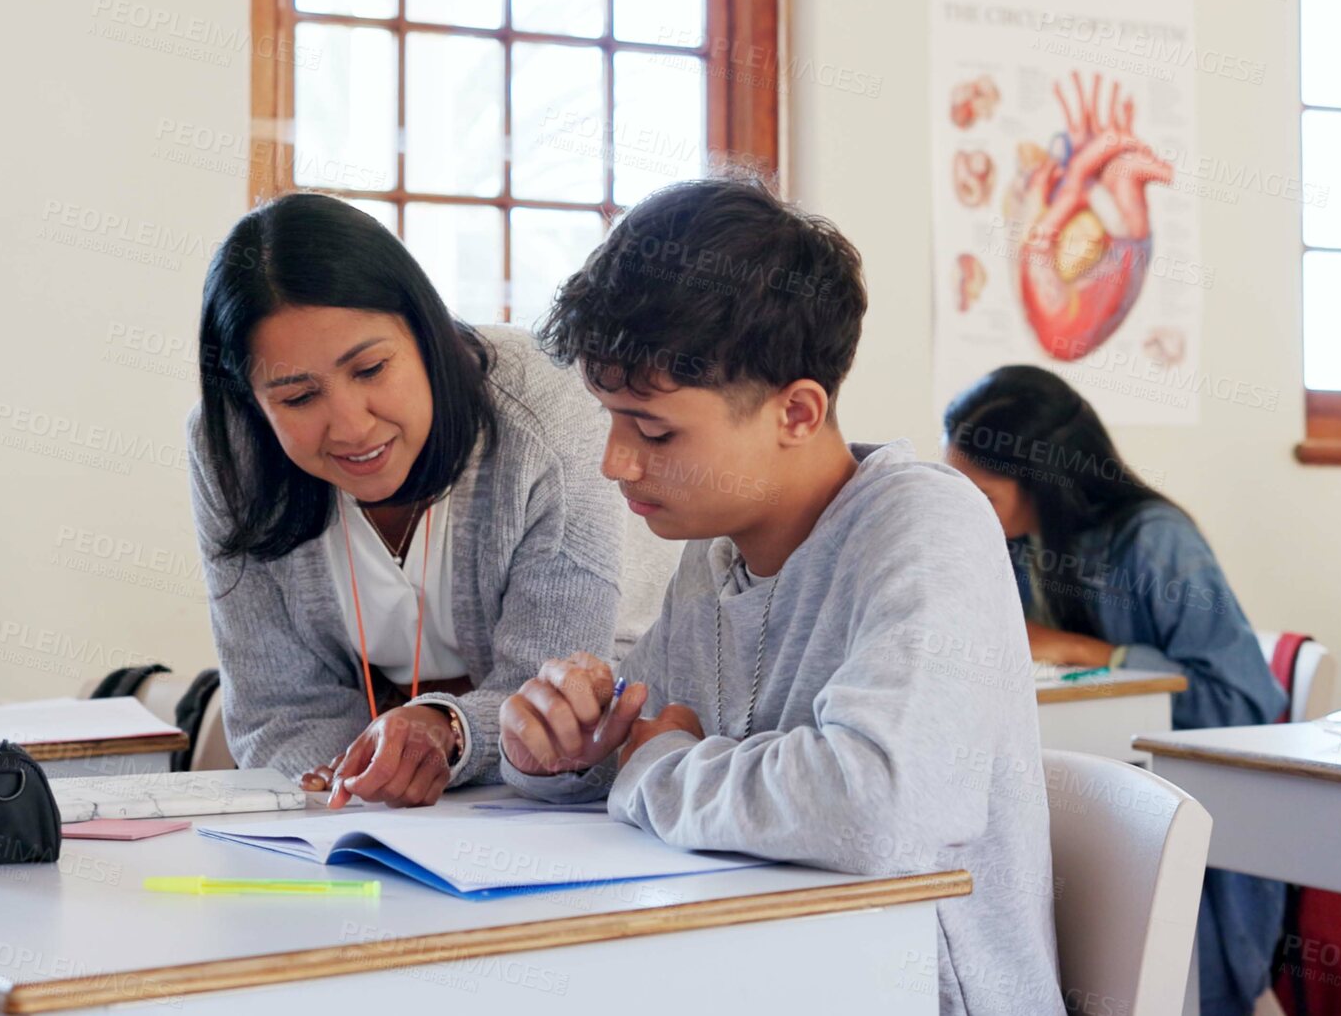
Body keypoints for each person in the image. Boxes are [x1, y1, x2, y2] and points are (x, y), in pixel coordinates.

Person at [496, 177, 1066, 1016]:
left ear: (796, 411)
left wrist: (652, 762)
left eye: (652, 430)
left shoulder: (926, 522)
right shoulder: (715, 550)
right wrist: (562, 752)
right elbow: (640, 744)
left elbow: (878, 805)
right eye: (609, 421)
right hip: (765, 973)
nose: (616, 462)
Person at [187, 192, 629, 808]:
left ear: (427, 332)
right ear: (252, 404)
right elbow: (276, 707)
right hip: (392, 822)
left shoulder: (543, 409)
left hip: (585, 783)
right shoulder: (231, 453)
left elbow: (557, 698)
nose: (349, 427)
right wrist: (354, 777)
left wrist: (445, 730)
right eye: (296, 398)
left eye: (369, 370)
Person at [941, 365, 1288, 1016]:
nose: (970, 516)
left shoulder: (1154, 540)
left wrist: (1080, 649)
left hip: (1181, 810)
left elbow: (1239, 701)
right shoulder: (1014, 545)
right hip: (1076, 800)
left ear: (1042, 479)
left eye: (982, 497)